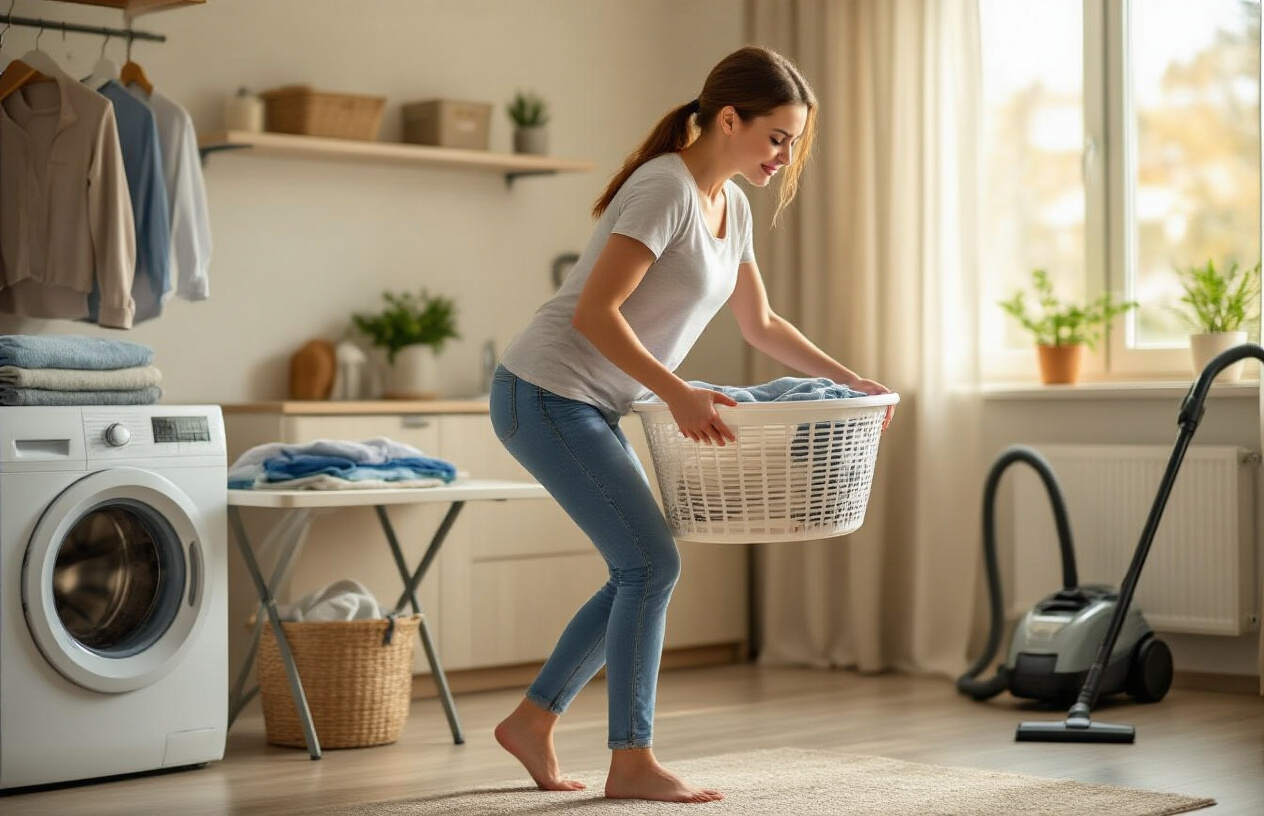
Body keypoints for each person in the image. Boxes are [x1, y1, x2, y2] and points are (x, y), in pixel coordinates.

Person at [489, 45, 893, 804]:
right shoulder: (662, 187)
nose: (785, 154)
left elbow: (762, 324)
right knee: (651, 565)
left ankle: (533, 720)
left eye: (794, 141)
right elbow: (593, 314)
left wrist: (846, 380)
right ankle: (631, 759)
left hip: (588, 402)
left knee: (639, 567)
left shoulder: (730, 205)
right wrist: (677, 393)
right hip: (542, 392)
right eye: (777, 136)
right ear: (729, 118)